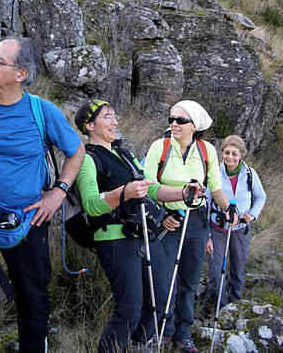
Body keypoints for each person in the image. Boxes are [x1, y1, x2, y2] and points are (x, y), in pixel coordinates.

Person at [73, 99, 203, 353]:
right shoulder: (87, 159)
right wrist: (124, 193)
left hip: (144, 235)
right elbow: (91, 204)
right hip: (114, 240)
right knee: (130, 307)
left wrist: (183, 193)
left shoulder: (125, 154)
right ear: (89, 126)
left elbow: (151, 188)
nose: (115, 121)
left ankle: (139, 346)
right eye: (107, 117)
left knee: (162, 299)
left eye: (114, 116)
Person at [0, 37, 85, 352]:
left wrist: (58, 193)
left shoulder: (42, 111)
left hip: (28, 220)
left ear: (21, 74)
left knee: (32, 295)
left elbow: (77, 151)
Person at [144, 100, 233, 353]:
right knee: (165, 279)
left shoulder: (207, 151)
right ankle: (164, 330)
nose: (174, 124)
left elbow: (215, 186)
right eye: (171, 119)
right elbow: (148, 185)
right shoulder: (158, 147)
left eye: (180, 121)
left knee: (190, 280)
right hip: (167, 219)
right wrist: (171, 205)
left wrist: (228, 208)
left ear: (194, 125)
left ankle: (183, 334)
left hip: (196, 222)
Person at [205, 135, 266, 309]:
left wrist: (252, 214)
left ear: (241, 155)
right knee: (215, 271)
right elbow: (206, 204)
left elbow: (261, 196)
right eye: (226, 152)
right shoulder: (214, 173)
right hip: (216, 228)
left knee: (238, 269)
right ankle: (218, 307)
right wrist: (207, 236)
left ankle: (235, 305)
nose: (229, 157)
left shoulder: (250, 174)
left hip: (240, 229)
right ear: (222, 153)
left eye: (234, 153)